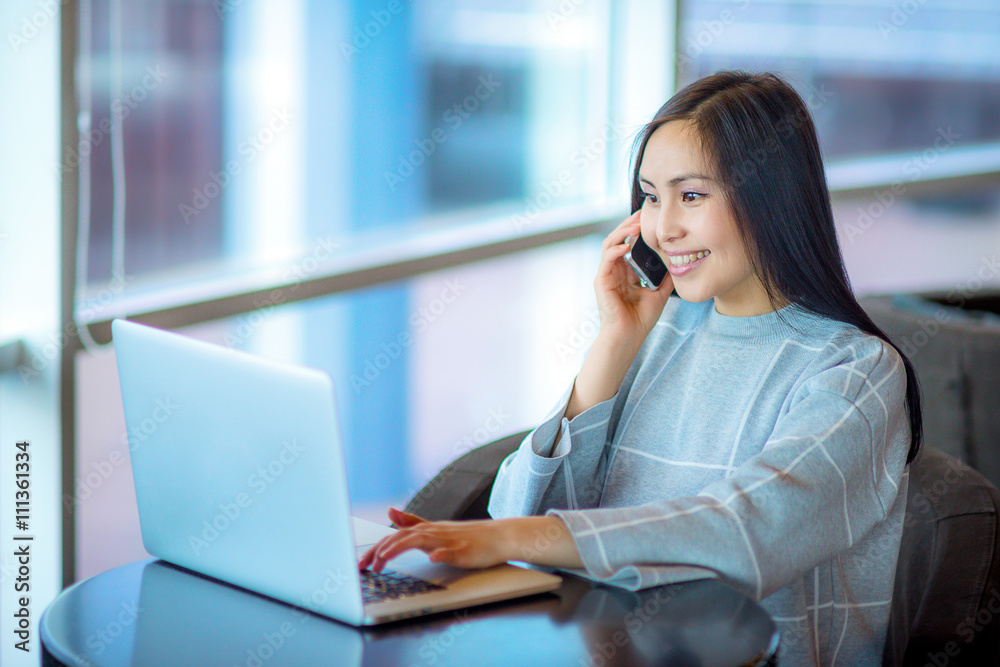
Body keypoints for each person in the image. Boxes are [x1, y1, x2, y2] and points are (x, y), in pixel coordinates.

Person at [359, 71, 922, 665]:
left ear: (772, 198)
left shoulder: (855, 372)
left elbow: (742, 533)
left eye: (693, 195)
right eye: (651, 197)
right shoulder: (660, 332)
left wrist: (511, 537)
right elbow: (518, 516)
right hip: (604, 649)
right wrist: (615, 343)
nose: (663, 227)